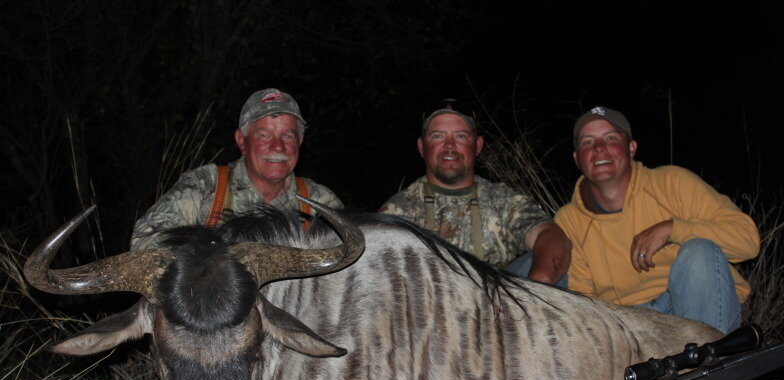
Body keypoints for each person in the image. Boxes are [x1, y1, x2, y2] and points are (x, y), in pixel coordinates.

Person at [554, 106, 760, 333]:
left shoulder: (672, 182)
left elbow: (747, 242)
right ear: (577, 159)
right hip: (631, 325)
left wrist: (672, 229)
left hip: (695, 309)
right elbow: (583, 297)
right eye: (587, 142)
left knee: (698, 251)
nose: (600, 148)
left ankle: (708, 359)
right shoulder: (568, 221)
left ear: (631, 148)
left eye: (611, 138)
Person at [131, 89, 343, 250]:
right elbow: (143, 241)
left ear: (300, 141)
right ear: (241, 141)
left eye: (287, 136)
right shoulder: (205, 186)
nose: (278, 147)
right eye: (264, 135)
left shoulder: (320, 202)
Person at [379, 106, 571, 284]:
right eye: (437, 136)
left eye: (461, 136)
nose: (449, 146)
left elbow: (551, 236)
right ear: (422, 147)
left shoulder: (502, 200)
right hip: (432, 310)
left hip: (499, 307)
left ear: (478, 145)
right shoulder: (399, 210)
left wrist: (536, 289)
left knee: (543, 261)